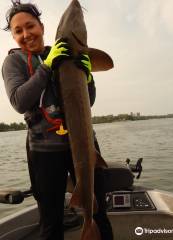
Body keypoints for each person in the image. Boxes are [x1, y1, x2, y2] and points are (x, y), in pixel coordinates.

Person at [2, 1, 113, 240]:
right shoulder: (14, 62)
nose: (26, 34)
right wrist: (48, 66)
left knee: (100, 214)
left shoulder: (64, 52)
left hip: (84, 146)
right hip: (45, 152)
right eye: (18, 31)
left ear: (41, 26)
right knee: (51, 223)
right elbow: (19, 101)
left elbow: (88, 101)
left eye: (30, 26)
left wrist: (88, 77)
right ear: (13, 36)